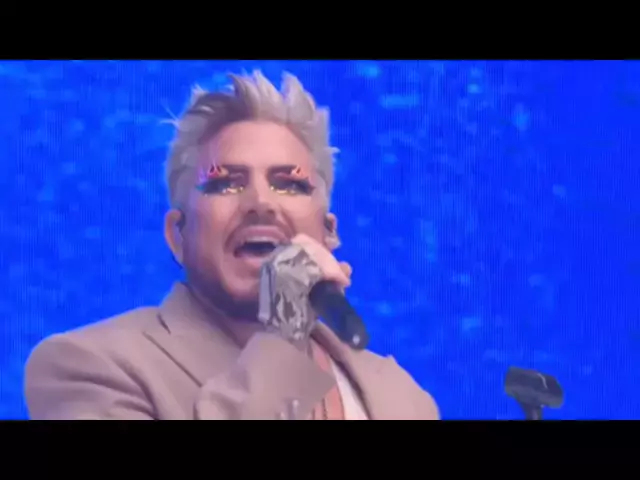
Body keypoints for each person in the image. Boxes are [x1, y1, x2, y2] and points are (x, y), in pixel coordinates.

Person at [24, 70, 440, 420]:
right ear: (178, 235)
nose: (261, 203)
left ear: (328, 234)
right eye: (225, 183)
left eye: (289, 184)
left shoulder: (402, 397)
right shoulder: (86, 367)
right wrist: (284, 334)